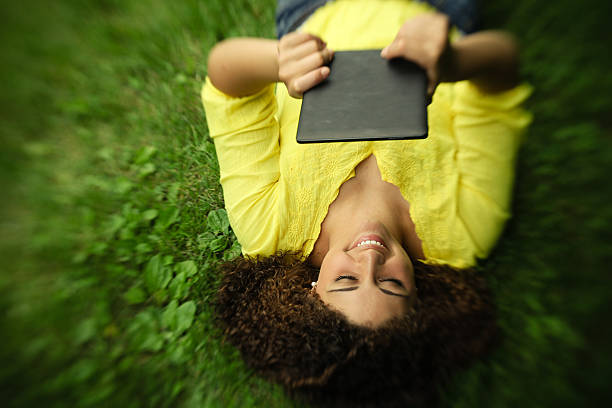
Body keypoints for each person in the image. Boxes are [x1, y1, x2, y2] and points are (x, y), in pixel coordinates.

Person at [203, 0, 532, 405]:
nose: (370, 259)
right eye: (392, 284)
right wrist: (456, 62)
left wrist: (279, 61)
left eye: (345, 281)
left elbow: (225, 78)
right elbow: (503, 65)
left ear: (310, 295)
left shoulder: (271, 230)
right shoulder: (463, 232)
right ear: (419, 301)